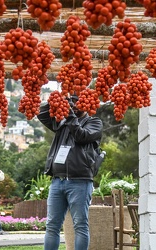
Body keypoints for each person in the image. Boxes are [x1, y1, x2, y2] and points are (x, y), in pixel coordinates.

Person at [37, 93, 103, 250]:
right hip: (57, 181)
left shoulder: (94, 123)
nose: (73, 105)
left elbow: (81, 135)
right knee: (52, 225)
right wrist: (58, 99)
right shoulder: (62, 122)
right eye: (72, 102)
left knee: (80, 225)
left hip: (80, 181)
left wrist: (71, 116)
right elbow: (42, 114)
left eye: (77, 102)